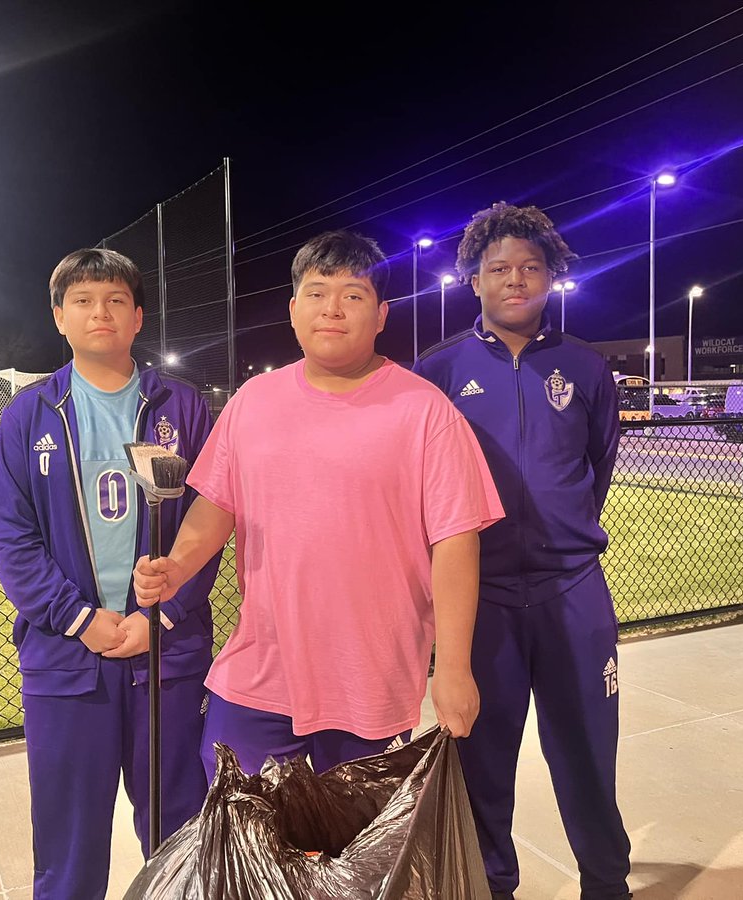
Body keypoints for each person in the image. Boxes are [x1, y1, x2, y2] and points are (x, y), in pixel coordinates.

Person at [132, 229, 503, 783]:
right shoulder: (252, 403)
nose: (332, 309)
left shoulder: (425, 411)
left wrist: (453, 668)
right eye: (316, 292)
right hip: (264, 662)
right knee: (242, 822)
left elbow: (454, 542)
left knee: (349, 849)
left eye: (352, 296)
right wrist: (177, 566)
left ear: (382, 314)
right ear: (293, 308)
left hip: (370, 673)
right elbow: (216, 507)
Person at [0, 248, 220, 900]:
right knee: (66, 838)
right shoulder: (33, 414)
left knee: (179, 833)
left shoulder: (179, 409)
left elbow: (204, 525)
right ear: (59, 316)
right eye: (83, 301)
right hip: (67, 660)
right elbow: (10, 534)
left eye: (115, 300)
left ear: (139, 315)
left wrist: (162, 617)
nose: (100, 313)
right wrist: (79, 618)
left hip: (166, 657)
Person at [413, 203, 632, 900]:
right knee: (480, 758)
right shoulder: (438, 370)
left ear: (552, 277)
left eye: (530, 268)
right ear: (473, 281)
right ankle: (490, 887)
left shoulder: (586, 368)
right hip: (483, 598)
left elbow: (597, 467)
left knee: (589, 752)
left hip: (573, 590)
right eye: (499, 269)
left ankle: (605, 882)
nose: (516, 279)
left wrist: (564, 535)